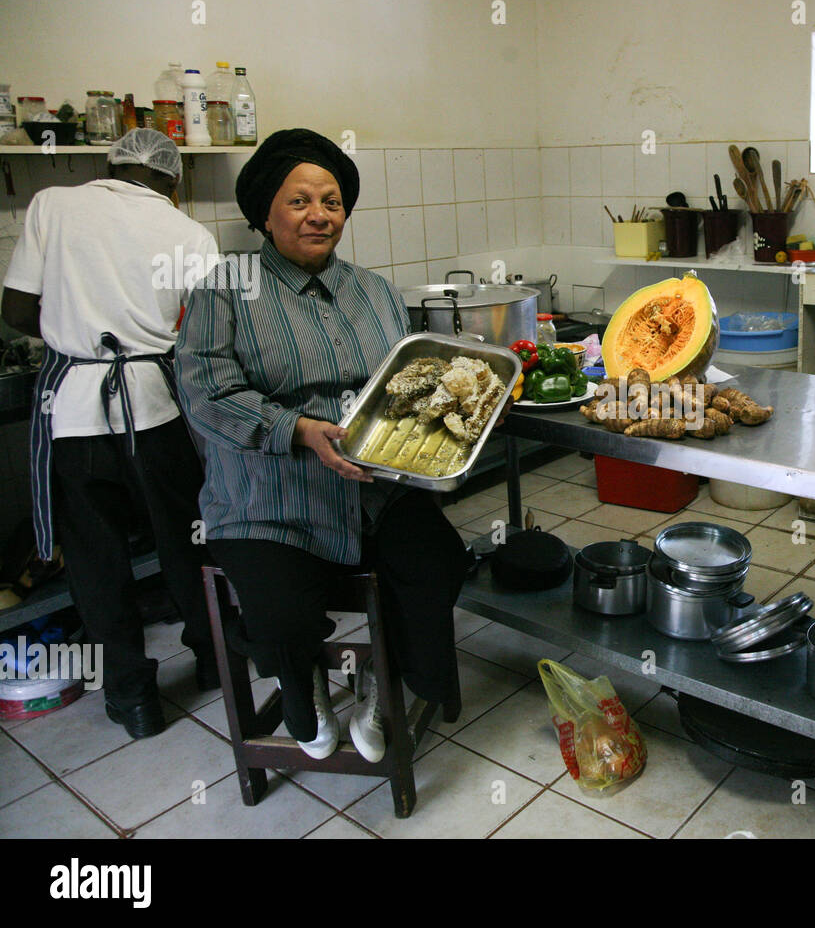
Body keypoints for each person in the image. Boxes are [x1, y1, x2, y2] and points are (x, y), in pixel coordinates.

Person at [175, 128, 470, 763]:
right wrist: (299, 431)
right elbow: (205, 394)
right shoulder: (225, 288)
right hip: (267, 496)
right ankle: (299, 680)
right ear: (265, 212)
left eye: (332, 201)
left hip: (369, 488)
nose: (319, 215)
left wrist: (451, 406)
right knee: (280, 614)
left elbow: (403, 384)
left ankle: (377, 682)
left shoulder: (375, 292)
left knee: (437, 559)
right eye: (300, 201)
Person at [2, 128, 220, 739]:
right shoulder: (190, 235)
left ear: (109, 166)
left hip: (74, 413)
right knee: (185, 541)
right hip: (155, 407)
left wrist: (79, 327)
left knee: (97, 561)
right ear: (172, 184)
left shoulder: (54, 203)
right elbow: (203, 330)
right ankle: (212, 660)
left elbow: (16, 311)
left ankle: (134, 697)